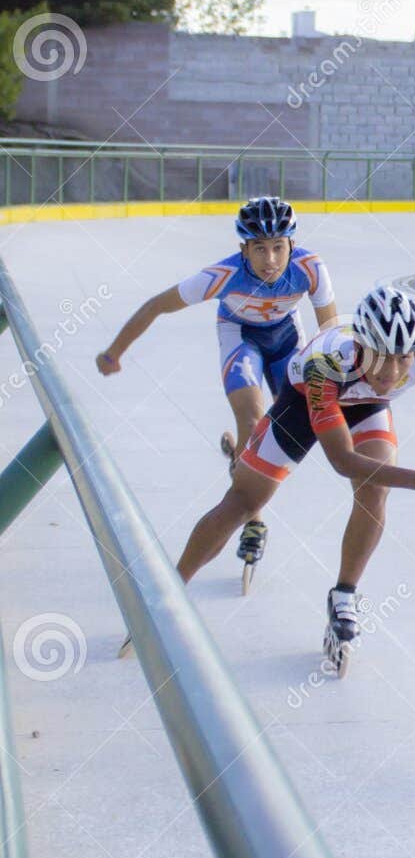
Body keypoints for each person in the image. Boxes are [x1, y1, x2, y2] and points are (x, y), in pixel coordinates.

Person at [158, 286, 415, 675]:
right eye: (382, 359)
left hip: (366, 406)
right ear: (361, 344)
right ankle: (168, 595)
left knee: (375, 491)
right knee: (243, 502)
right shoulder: (325, 364)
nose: (393, 373)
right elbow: (344, 460)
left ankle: (344, 595)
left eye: (402, 359)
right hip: (303, 400)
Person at [96, 196, 337, 574]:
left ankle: (241, 461)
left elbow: (329, 335)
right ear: (243, 249)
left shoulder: (310, 268)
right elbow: (156, 305)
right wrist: (115, 352)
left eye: (278, 247)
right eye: (259, 248)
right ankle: (253, 518)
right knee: (252, 416)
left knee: (294, 426)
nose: (270, 260)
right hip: (240, 336)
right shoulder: (222, 276)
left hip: (288, 338)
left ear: (292, 244)